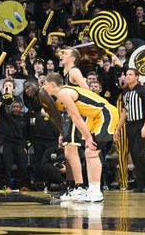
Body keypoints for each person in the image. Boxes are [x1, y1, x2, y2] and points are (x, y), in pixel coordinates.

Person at [43, 72, 119, 203]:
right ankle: (92, 190)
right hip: (95, 117)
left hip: (105, 114)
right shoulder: (65, 93)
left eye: (45, 84)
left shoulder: (63, 93)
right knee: (90, 152)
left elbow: (75, 116)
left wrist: (88, 136)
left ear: (51, 84)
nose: (44, 87)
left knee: (91, 152)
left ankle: (96, 192)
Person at [113, 69, 145, 193]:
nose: (127, 76)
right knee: (135, 157)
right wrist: (117, 129)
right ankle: (141, 184)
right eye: (126, 75)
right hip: (130, 126)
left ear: (137, 77)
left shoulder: (143, 90)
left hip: (141, 124)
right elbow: (124, 112)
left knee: (139, 154)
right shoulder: (125, 92)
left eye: (130, 74)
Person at [58, 47, 89, 200]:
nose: (62, 55)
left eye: (65, 53)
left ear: (73, 59)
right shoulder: (65, 74)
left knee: (72, 152)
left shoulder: (74, 72)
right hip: (66, 115)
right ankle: (71, 186)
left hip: (73, 115)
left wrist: (77, 111)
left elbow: (87, 92)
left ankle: (80, 187)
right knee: (67, 153)